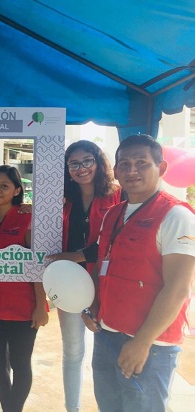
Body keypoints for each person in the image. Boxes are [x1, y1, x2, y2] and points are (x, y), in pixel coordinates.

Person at [84, 134, 195, 412]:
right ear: (116, 171)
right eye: (124, 164)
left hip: (150, 344)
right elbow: (103, 267)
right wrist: (93, 306)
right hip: (106, 334)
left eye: (142, 163)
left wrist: (142, 342)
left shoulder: (176, 216)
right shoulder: (113, 214)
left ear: (162, 168)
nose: (132, 171)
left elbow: (178, 288)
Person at [47, 140, 121, 412]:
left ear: (99, 162)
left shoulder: (117, 194)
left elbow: (116, 240)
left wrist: (77, 256)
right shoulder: (60, 198)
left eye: (87, 160)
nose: (81, 168)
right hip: (68, 284)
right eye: (74, 163)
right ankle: (72, 408)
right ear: (67, 169)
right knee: (73, 352)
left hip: (106, 282)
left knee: (108, 350)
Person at [0, 165, 49, 412]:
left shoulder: (27, 219)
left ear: (16, 190)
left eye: (4, 186)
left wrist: (40, 305)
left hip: (22, 308)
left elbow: (38, 266)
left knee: (19, 363)